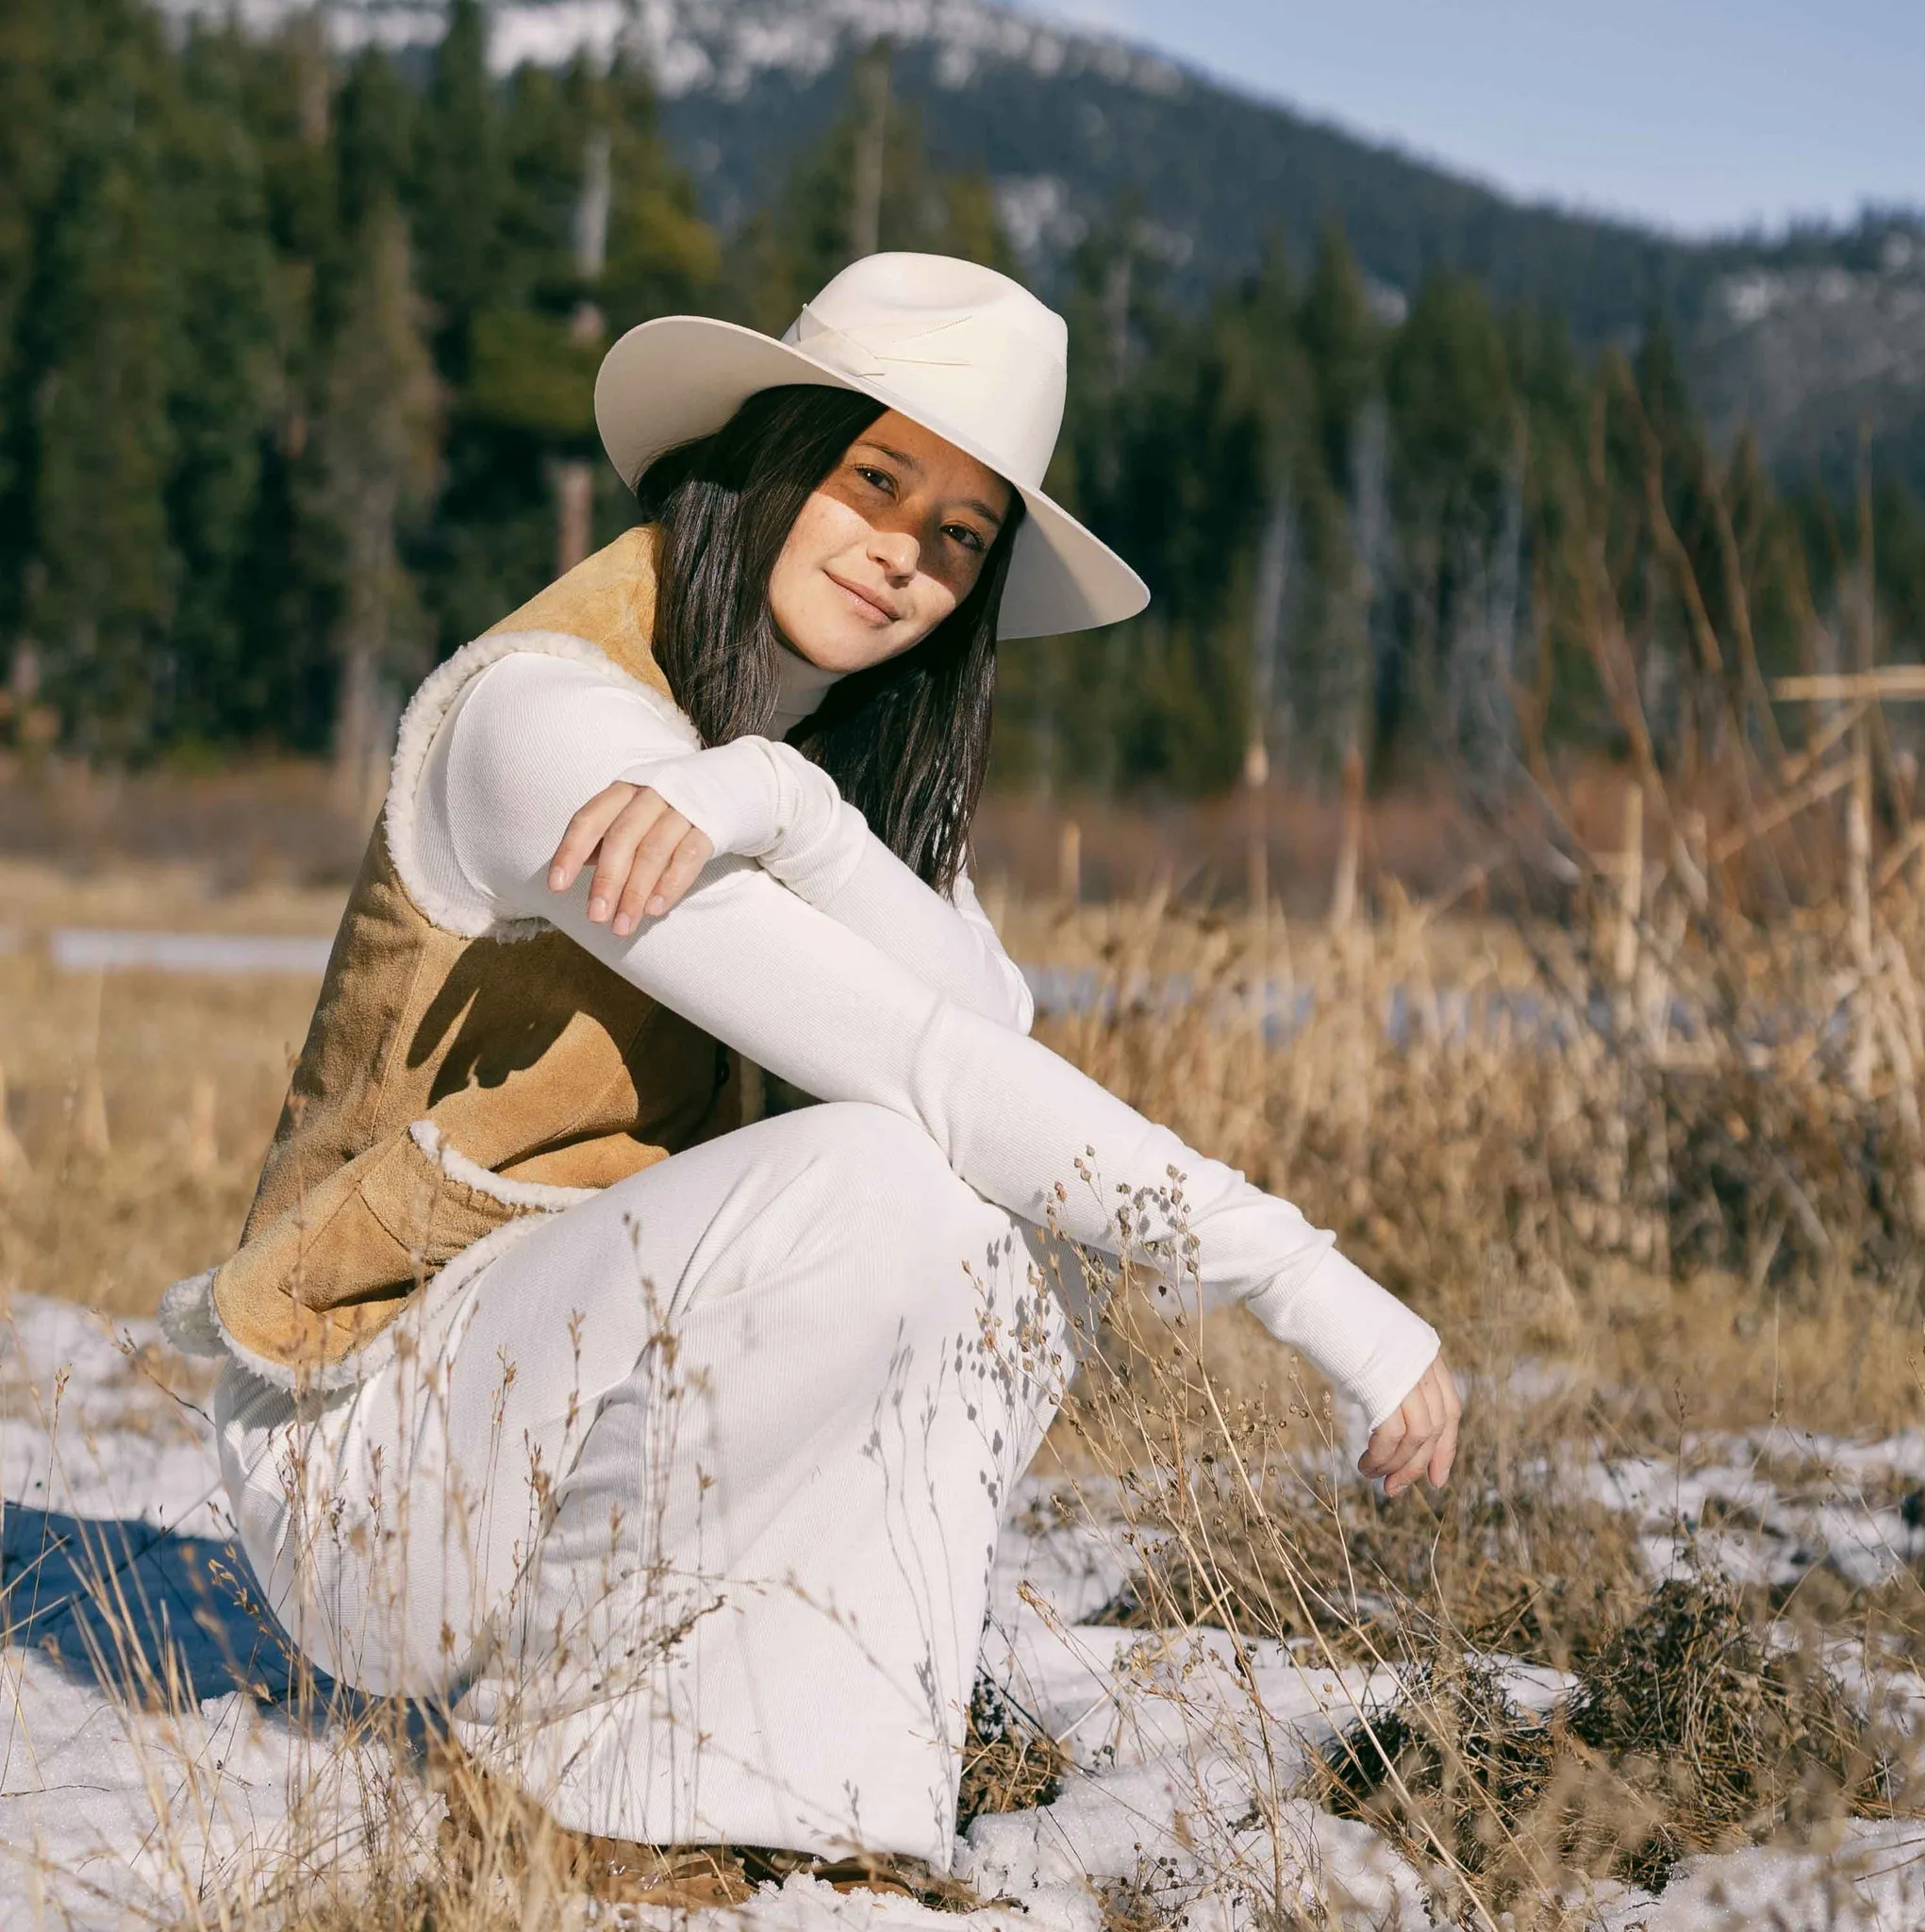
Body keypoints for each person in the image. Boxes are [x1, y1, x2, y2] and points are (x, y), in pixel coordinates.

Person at [161, 253, 1458, 1903]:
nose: (906, 554)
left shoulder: (818, 764)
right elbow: (924, 1067)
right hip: (365, 1460)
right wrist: (1300, 1272)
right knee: (892, 1170)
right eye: (874, 477)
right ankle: (574, 1781)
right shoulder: (549, 723)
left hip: (561, 1411)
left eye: (961, 531)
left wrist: (796, 804)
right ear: (777, 459)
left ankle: (819, 1802)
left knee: (1002, 1223)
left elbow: (992, 1032)